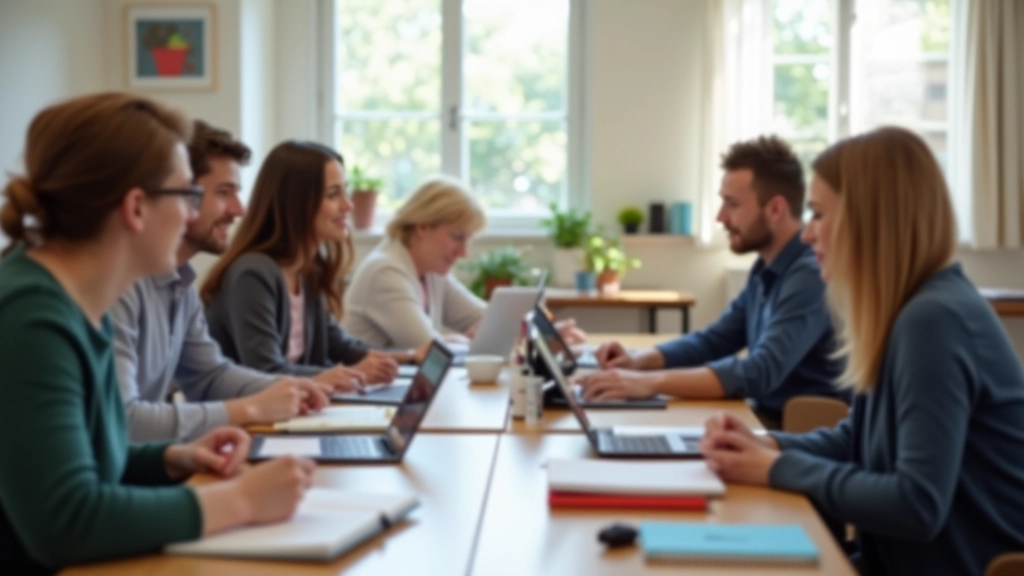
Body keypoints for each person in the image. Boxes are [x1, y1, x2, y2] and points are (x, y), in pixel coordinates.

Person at [0, 92, 315, 574]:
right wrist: (242, 501)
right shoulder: (30, 315)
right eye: (187, 195)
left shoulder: (84, 300)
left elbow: (91, 457)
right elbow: (66, 522)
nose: (193, 215)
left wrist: (172, 458)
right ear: (136, 208)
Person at [701, 127, 1024, 576]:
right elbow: (856, 439)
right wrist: (758, 445)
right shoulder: (907, 309)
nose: (808, 234)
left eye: (817, 214)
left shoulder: (934, 320)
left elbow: (916, 504)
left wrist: (774, 468)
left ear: (871, 219)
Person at [578, 136, 844, 428]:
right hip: (766, 418)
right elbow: (716, 339)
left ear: (775, 209)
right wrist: (638, 361)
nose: (721, 217)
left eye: (732, 204)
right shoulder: (766, 267)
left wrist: (649, 383)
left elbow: (760, 371)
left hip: (798, 432)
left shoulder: (809, 275)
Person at [112, 120, 330, 442]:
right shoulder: (118, 286)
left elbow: (209, 375)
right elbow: (125, 421)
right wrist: (250, 409)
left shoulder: (180, 282)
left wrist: (286, 389)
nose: (239, 210)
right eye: (224, 193)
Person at [201, 141, 408, 387]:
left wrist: (412, 355)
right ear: (295, 203)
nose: (348, 205)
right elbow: (265, 371)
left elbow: (341, 347)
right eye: (333, 195)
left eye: (345, 191)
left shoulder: (306, 270)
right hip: (252, 420)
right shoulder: (253, 273)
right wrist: (352, 375)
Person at [342, 176, 586, 349]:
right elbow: (432, 351)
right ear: (422, 226)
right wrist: (467, 340)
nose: (463, 253)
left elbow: (487, 319)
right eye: (457, 237)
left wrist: (543, 335)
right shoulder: (386, 271)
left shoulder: (430, 271)